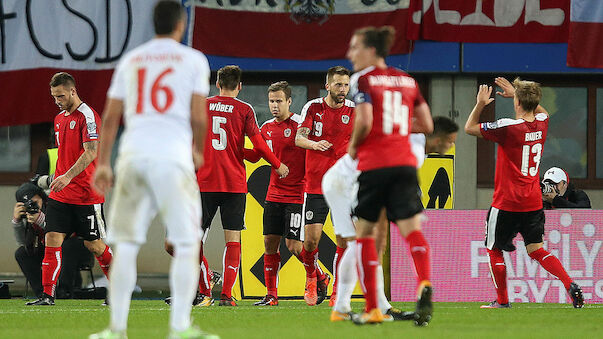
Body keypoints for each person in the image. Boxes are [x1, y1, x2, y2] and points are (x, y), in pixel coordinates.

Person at [89, 1, 217, 338]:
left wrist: (103, 162)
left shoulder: (132, 59)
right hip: (173, 159)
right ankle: (180, 327)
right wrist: (198, 150)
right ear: (181, 23)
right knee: (188, 243)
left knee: (126, 245)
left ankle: (116, 329)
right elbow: (199, 115)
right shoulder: (193, 60)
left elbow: (111, 115)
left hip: (132, 157)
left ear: (154, 23)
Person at [464, 77, 584, 309]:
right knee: (536, 250)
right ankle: (569, 284)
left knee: (494, 248)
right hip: (532, 201)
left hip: (506, 201)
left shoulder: (508, 127)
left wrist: (480, 103)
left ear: (517, 102)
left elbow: (469, 128)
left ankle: (502, 301)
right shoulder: (542, 122)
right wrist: (520, 95)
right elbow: (542, 110)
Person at [325, 117, 457, 323]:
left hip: (364, 181)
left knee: (376, 243)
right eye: (450, 141)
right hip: (343, 183)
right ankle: (343, 306)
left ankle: (379, 306)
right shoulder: (412, 151)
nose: (451, 146)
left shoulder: (411, 142)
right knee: (358, 244)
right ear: (438, 139)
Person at [345, 26, 434, 325]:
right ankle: (424, 282)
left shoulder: (363, 79)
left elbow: (366, 119)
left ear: (371, 50)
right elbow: (427, 124)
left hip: (375, 164)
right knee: (412, 230)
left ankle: (372, 309)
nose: (350, 54)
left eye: (355, 47)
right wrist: (397, 129)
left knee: (365, 235)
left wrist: (354, 146)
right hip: (406, 163)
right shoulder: (407, 80)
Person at [196, 65, 288, 307]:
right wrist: (277, 164)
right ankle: (226, 295)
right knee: (233, 240)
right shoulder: (244, 109)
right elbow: (258, 145)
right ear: (239, 86)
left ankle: (204, 290)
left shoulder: (201, 106)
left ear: (217, 84)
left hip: (204, 182)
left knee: (194, 240)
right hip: (234, 185)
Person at [26, 72, 113, 306]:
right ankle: (47, 296)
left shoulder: (88, 116)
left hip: (86, 194)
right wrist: (59, 179)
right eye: (54, 97)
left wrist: (67, 176)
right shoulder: (59, 119)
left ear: (73, 91)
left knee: (94, 245)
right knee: (52, 238)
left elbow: (91, 151)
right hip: (61, 194)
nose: (57, 100)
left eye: (61, 96)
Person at [295, 66, 354, 306]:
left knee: (344, 241)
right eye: (338, 85)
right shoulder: (313, 107)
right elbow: (298, 138)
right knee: (310, 242)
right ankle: (312, 276)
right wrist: (314, 144)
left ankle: (338, 290)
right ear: (327, 86)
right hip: (316, 184)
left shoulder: (355, 111)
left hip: (343, 186)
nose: (343, 90)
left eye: (346, 85)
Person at [244, 81, 306, 306]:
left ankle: (317, 275)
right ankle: (271, 295)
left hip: (298, 194)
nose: (274, 105)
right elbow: (255, 156)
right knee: (270, 243)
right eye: (271, 101)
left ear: (290, 101)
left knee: (294, 246)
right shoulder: (266, 127)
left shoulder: (301, 125)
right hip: (273, 194)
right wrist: (236, 147)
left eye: (279, 101)